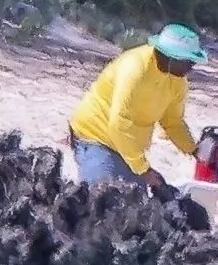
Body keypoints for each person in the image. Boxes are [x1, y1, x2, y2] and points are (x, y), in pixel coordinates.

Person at [67, 23, 206, 192]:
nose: (192, 67)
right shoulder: (135, 69)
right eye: (188, 61)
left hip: (129, 148)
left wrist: (194, 150)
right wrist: (143, 170)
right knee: (102, 199)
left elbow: (172, 122)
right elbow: (119, 123)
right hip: (96, 137)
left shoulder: (178, 82)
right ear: (171, 57)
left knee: (135, 201)